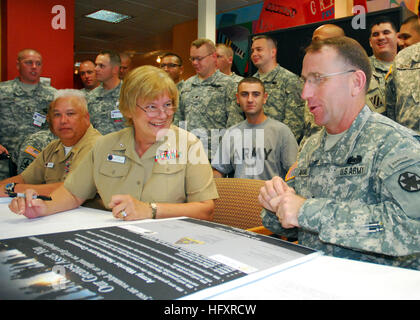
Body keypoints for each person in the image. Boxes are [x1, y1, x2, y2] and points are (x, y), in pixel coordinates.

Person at [259, 36, 420, 270]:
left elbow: (411, 228)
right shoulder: (311, 146)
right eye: (305, 81)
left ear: (356, 82)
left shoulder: (396, 144)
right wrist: (275, 205)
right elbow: (289, 224)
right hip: (309, 280)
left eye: (318, 80)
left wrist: (306, 211)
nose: (304, 93)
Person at [9, 66, 219, 221]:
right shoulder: (104, 146)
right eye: (151, 107)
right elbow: (73, 193)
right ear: (128, 109)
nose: (163, 114)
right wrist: (43, 208)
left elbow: (205, 209)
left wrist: (151, 210)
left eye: (168, 105)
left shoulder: (189, 145)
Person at [0, 89, 101, 197]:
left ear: (86, 118)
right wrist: (7, 187)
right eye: (57, 115)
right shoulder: (53, 148)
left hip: (88, 213)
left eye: (70, 114)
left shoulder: (98, 145)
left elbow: (71, 189)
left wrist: (16, 188)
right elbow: (24, 179)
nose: (63, 120)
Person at [212, 77, 297, 180]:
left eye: (256, 94)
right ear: (237, 98)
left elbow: (294, 172)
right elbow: (219, 170)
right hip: (240, 194)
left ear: (265, 98)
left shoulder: (282, 132)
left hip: (272, 195)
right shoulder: (231, 133)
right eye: (244, 94)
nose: (250, 100)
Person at [173, 38, 243, 160]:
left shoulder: (229, 85)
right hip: (189, 156)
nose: (195, 63)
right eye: (192, 59)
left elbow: (234, 126)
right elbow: (179, 122)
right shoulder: (187, 86)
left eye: (199, 58)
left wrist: (224, 162)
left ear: (213, 57)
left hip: (216, 158)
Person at [0, 48, 57, 180]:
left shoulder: (53, 95)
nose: (34, 67)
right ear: (18, 65)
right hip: (4, 162)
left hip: (37, 163)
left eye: (38, 64)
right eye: (29, 63)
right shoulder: (3, 91)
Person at [250, 35, 305, 143]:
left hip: (279, 147)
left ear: (273, 52)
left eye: (259, 49)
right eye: (252, 50)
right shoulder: (250, 82)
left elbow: (295, 123)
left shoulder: (290, 80)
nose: (254, 54)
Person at [301, 24, 346, 147]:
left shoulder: (351, 81)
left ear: (338, 44)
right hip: (311, 151)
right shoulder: (311, 78)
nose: (312, 47)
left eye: (318, 41)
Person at [385, 6, 420, 134]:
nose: (400, 42)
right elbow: (391, 109)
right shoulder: (402, 60)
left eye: (405, 37)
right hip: (409, 147)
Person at [366, 16, 398, 115]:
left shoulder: (410, 66)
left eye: (386, 32)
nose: (381, 37)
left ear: (397, 37)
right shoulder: (362, 69)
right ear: (370, 42)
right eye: (375, 34)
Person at [87, 50, 125, 135]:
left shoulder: (129, 94)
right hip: (98, 146)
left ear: (115, 69)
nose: (96, 69)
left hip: (123, 146)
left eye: (101, 66)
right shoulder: (91, 97)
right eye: (96, 65)